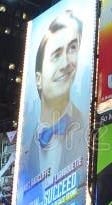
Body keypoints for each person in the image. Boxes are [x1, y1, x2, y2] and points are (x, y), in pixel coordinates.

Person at [24, 11, 88, 180]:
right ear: (38, 79)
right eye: (56, 55)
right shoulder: (23, 151)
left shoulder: (89, 129)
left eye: (72, 48)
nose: (66, 64)